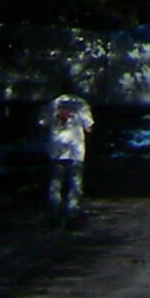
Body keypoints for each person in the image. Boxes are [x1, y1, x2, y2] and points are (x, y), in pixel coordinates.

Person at [47, 93, 93, 224]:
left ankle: (55, 213)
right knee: (74, 183)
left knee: (56, 183)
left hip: (57, 150)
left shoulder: (53, 103)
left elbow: (42, 123)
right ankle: (72, 213)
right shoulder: (81, 104)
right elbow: (88, 128)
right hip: (75, 150)